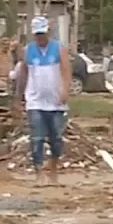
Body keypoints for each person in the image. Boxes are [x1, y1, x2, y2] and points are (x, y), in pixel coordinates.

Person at [13, 16, 71, 185]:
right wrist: (18, 96)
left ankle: (53, 170)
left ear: (48, 32)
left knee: (56, 138)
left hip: (56, 102)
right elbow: (23, 74)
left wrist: (65, 91)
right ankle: (39, 173)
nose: (41, 37)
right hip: (35, 101)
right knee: (36, 138)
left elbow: (66, 71)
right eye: (37, 34)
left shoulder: (59, 49)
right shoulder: (28, 51)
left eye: (43, 34)